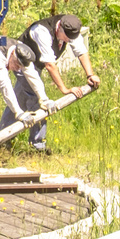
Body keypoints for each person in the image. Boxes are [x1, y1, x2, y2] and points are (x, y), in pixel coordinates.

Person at [19, 13, 101, 154]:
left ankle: (2, 135)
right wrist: (64, 89)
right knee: (38, 100)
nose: (70, 41)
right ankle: (38, 147)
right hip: (21, 62)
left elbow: (81, 52)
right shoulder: (42, 31)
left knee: (20, 100)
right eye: (68, 38)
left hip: (37, 64)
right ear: (60, 29)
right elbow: (50, 65)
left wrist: (90, 75)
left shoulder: (71, 29)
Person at [0, 37, 45, 145]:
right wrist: (18, 112)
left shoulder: (21, 51)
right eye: (17, 65)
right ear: (13, 54)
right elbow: (5, 85)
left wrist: (44, 98)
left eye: (20, 67)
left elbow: (33, 76)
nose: (17, 69)